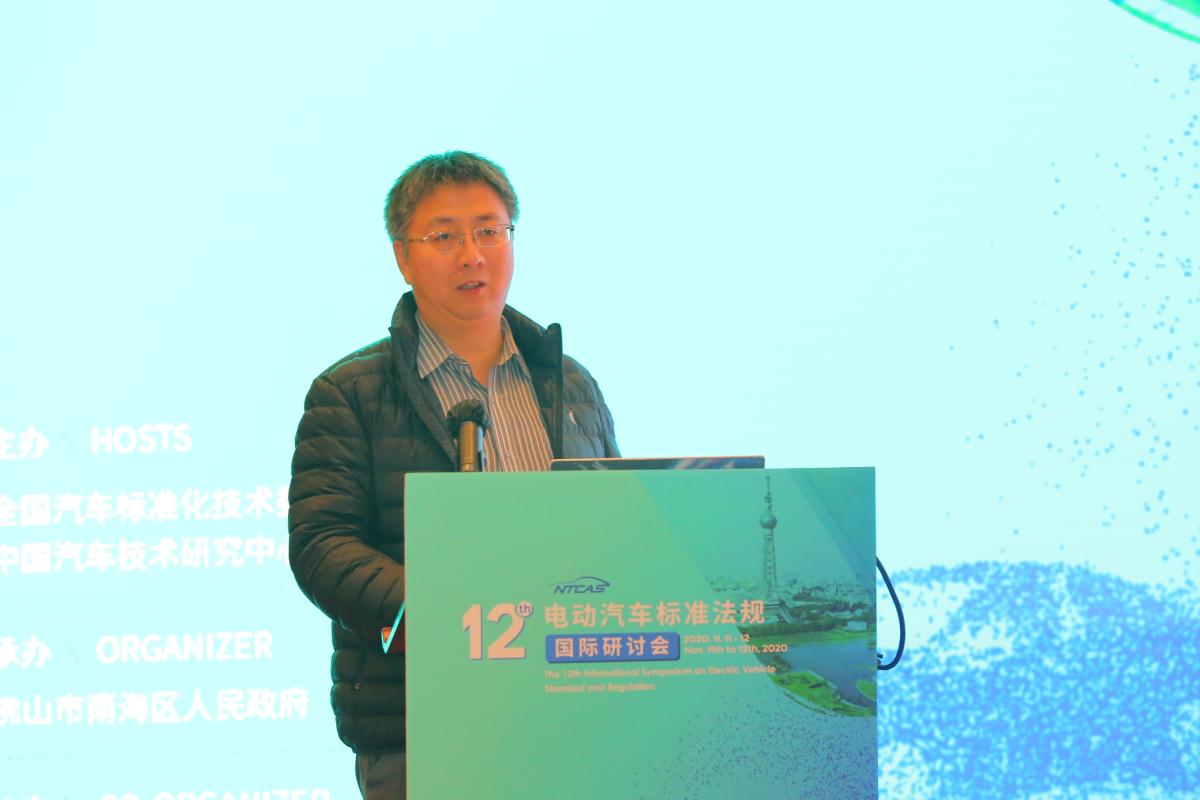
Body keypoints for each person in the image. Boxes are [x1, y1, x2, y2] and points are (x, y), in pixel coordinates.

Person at [287, 151, 619, 798]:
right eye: (444, 237)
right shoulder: (349, 392)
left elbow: (616, 528)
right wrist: (445, 612)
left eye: (489, 231)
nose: (472, 255)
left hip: (571, 713)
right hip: (423, 725)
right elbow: (322, 545)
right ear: (402, 256)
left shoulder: (570, 383)